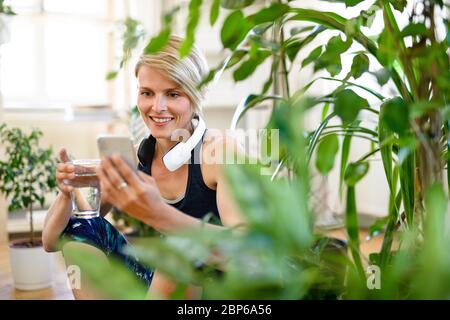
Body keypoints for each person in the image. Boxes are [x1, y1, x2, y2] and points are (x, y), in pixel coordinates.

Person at [42, 35, 244, 299]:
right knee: (83, 231)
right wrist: (67, 191)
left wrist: (159, 214)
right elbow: (50, 240)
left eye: (173, 94)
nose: (157, 107)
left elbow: (247, 251)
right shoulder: (142, 155)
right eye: (147, 93)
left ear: (195, 97)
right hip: (167, 285)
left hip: (217, 290)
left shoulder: (221, 151)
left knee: (178, 252)